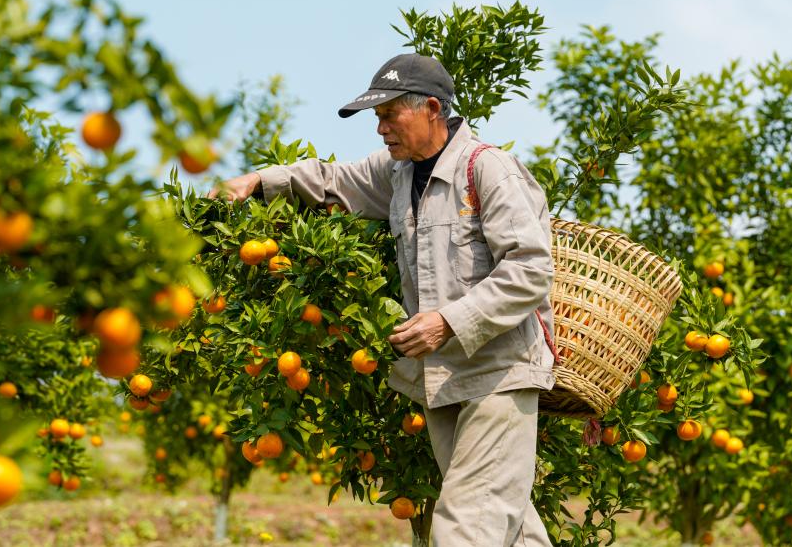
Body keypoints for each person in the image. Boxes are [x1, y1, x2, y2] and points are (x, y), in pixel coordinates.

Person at [211, 53, 555, 546]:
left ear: (432, 108)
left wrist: (448, 321)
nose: (381, 129)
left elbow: (530, 270)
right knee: (510, 527)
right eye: (377, 118)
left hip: (497, 375)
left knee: (466, 525)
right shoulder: (397, 175)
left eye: (390, 114)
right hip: (443, 379)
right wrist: (260, 181)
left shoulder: (488, 170)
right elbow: (331, 181)